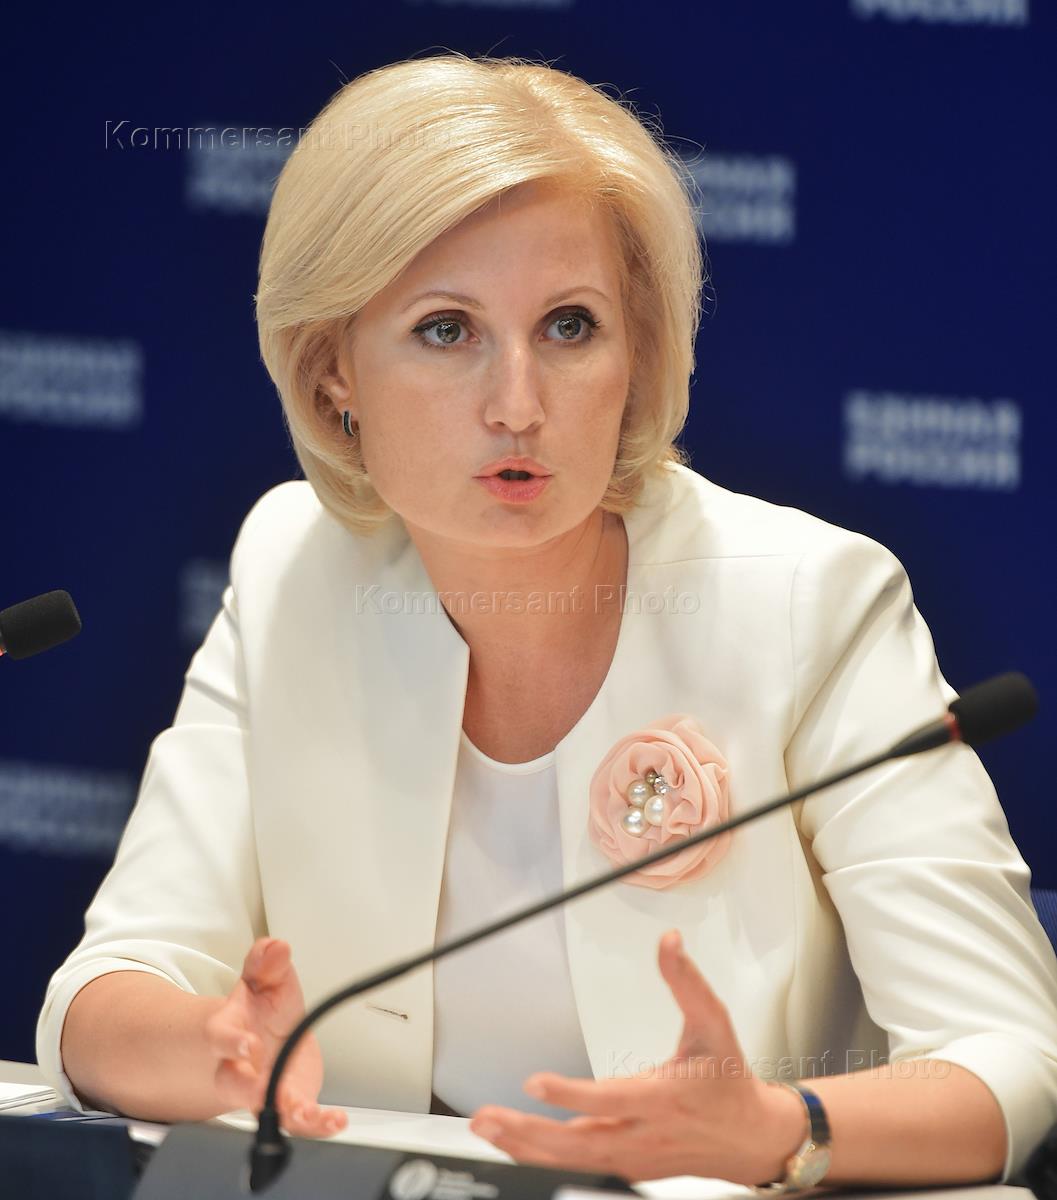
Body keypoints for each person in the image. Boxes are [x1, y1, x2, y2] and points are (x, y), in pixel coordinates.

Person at [36, 51, 1057, 1189]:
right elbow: (109, 987)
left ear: (638, 352)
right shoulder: (294, 569)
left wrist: (781, 1126)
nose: (517, 405)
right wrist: (215, 1051)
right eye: (446, 330)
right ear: (332, 373)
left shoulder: (807, 601)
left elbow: (1004, 1057)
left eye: (570, 326)